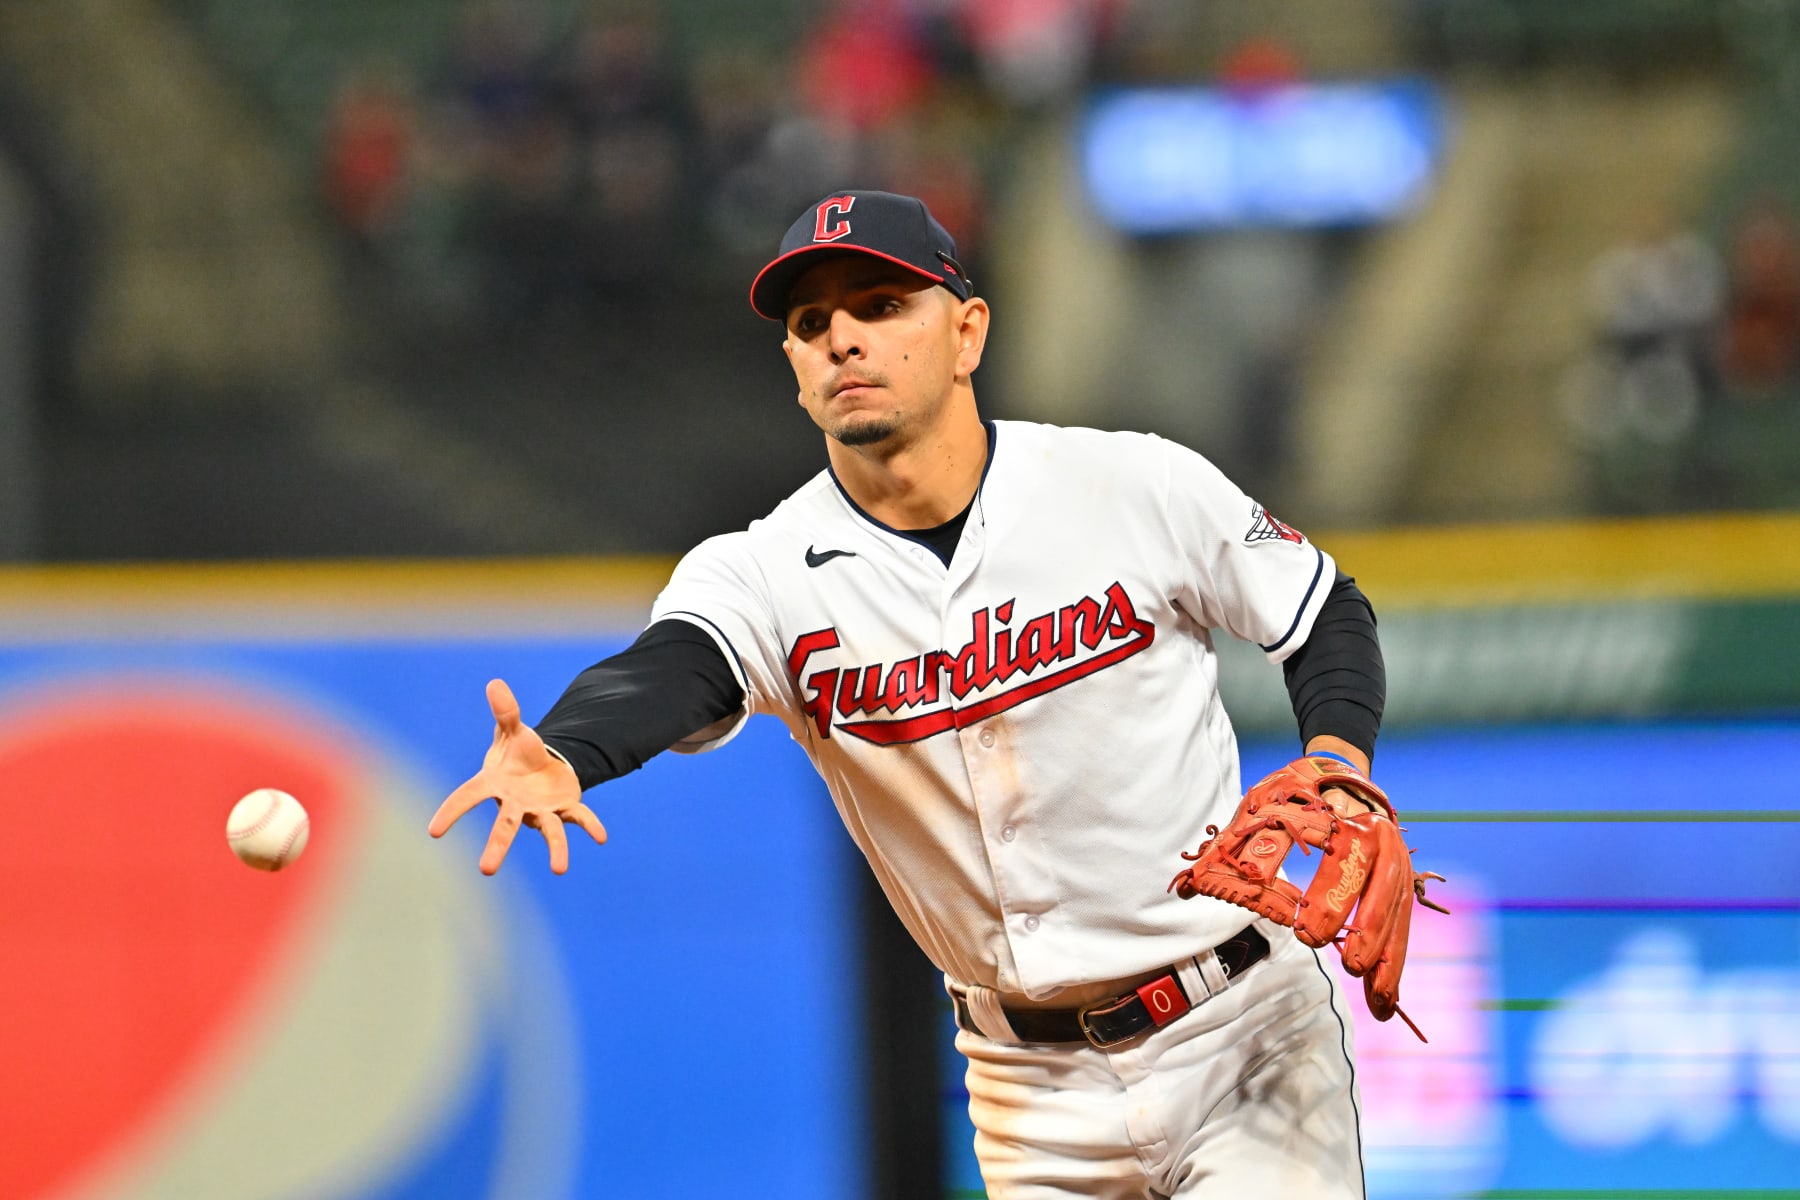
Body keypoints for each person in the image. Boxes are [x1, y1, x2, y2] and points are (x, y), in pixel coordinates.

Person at [430, 190, 1390, 1198]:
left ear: (968, 331)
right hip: (1028, 1089)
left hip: (1241, 1034)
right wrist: (569, 747)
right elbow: (677, 664)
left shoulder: (1130, 484)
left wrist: (1336, 759)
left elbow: (1323, 610)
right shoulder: (765, 572)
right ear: (795, 372)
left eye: (882, 306)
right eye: (812, 325)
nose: (843, 338)